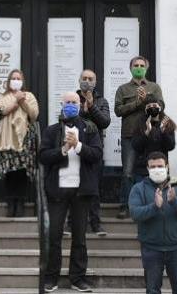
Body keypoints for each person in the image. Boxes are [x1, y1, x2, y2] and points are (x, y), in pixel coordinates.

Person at [40, 91, 103, 293]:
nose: (70, 105)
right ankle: (51, 278)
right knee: (54, 236)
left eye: (74, 102)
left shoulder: (90, 128)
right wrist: (63, 149)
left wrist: (78, 146)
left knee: (79, 237)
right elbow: (43, 156)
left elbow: (97, 155)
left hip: (81, 190)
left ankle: (78, 278)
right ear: (61, 104)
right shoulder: (51, 131)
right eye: (67, 102)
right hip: (57, 190)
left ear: (80, 104)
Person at [129, 151, 177, 294]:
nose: (156, 169)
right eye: (153, 167)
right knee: (152, 290)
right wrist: (154, 207)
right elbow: (135, 214)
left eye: (160, 166)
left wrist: (175, 201)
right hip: (151, 249)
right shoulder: (138, 188)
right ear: (147, 168)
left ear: (167, 166)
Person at [114, 56, 164, 219]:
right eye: (136, 65)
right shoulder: (123, 89)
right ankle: (125, 206)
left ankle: (152, 204)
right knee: (127, 172)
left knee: (152, 170)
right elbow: (118, 110)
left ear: (146, 68)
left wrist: (149, 101)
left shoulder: (154, 87)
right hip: (129, 135)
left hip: (150, 135)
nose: (139, 67)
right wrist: (137, 102)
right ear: (130, 68)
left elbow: (161, 106)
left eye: (142, 65)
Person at [64, 69, 111, 236]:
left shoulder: (102, 101)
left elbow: (105, 122)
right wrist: (82, 109)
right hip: (72, 149)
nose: (87, 81)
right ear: (79, 80)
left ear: (95, 82)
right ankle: (70, 224)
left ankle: (96, 224)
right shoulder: (72, 99)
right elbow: (65, 119)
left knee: (93, 189)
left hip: (93, 150)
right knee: (72, 187)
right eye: (84, 78)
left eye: (90, 79)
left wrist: (91, 107)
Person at [0, 69, 39, 217]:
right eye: (13, 78)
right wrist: (14, 103)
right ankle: (10, 203)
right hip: (6, 140)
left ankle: (20, 204)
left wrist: (22, 101)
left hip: (23, 139)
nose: (16, 80)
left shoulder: (29, 96)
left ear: (22, 81)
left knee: (21, 173)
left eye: (18, 78)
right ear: (9, 81)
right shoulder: (2, 96)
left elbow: (34, 114)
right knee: (10, 172)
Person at [131, 97, 176, 183]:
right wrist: (147, 132)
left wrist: (163, 131)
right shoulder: (139, 123)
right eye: (149, 106)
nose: (152, 107)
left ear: (159, 108)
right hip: (142, 170)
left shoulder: (167, 123)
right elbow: (136, 146)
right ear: (145, 109)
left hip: (160, 168)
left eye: (154, 105)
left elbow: (171, 146)